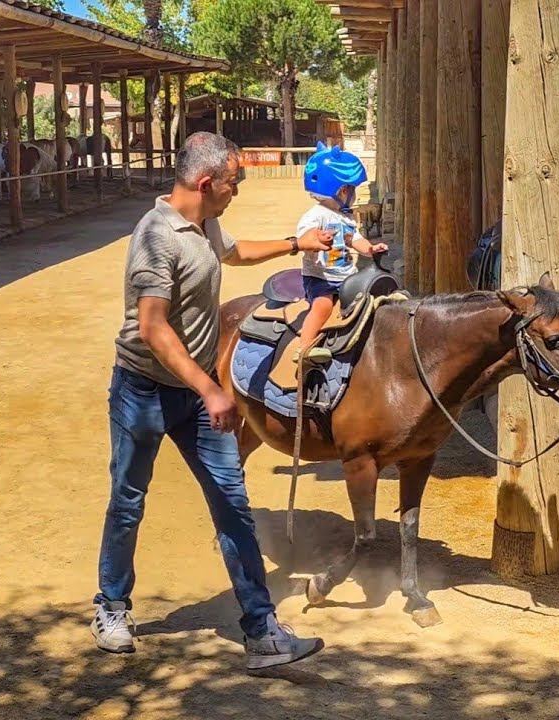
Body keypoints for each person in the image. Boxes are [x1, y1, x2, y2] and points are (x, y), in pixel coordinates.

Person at [92, 131, 334, 670]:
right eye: (233, 182)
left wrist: (297, 245)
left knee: (233, 503)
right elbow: (153, 328)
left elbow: (234, 251)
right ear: (206, 183)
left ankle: (261, 630)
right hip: (144, 391)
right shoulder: (156, 239)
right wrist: (211, 389)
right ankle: (111, 605)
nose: (237, 191)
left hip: (195, 391)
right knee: (128, 500)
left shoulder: (203, 222)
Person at [294, 142, 387, 365]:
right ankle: (304, 348)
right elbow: (304, 237)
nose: (354, 194)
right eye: (352, 189)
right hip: (322, 278)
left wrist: (370, 248)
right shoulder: (316, 216)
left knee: (366, 298)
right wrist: (316, 240)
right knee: (323, 306)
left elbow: (354, 239)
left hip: (346, 275)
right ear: (342, 190)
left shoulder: (345, 217)